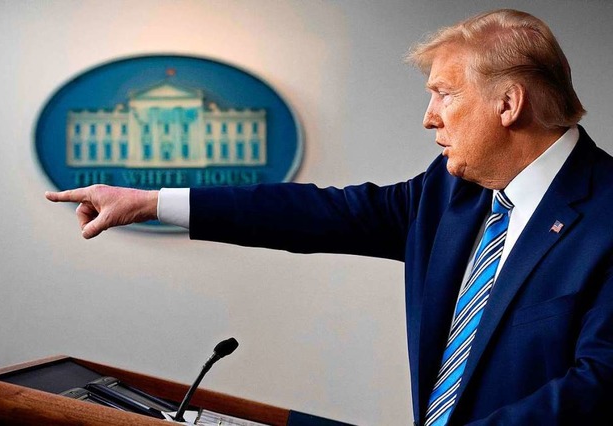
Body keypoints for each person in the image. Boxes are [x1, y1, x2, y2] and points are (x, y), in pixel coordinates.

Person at [46, 9, 613, 425]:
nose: (428, 117)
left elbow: (598, 386)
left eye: (444, 94)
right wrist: (150, 203)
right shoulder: (451, 194)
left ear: (508, 104)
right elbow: (318, 213)